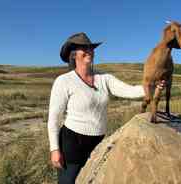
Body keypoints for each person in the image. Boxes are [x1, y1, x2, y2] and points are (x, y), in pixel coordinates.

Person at [47, 32, 166, 184]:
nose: (89, 51)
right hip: (72, 144)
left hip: (98, 142)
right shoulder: (64, 81)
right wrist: (55, 150)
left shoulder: (104, 78)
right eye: (84, 48)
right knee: (68, 182)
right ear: (73, 55)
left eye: (91, 48)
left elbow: (128, 90)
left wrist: (152, 86)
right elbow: (54, 119)